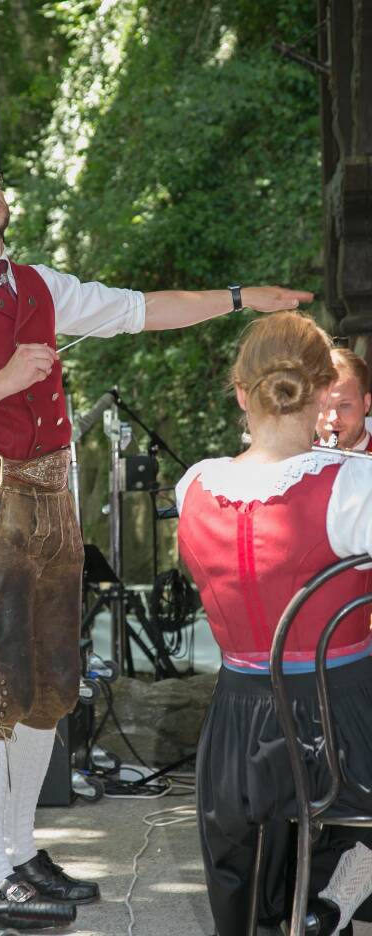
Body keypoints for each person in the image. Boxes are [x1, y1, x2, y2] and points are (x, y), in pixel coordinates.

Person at [0, 142, 313, 914]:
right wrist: (6, 379)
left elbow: (147, 309)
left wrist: (246, 298)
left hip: (53, 495)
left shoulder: (43, 286)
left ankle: (21, 853)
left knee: (52, 687)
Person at [176, 311, 372, 936]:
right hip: (344, 719)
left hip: (236, 729)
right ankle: (328, 908)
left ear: (241, 391)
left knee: (249, 867)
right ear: (322, 392)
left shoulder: (195, 486)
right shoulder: (355, 483)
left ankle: (283, 916)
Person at [317, 347, 372, 451]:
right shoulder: (294, 464)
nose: (333, 419)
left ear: (366, 404)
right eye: (323, 405)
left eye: (344, 405)